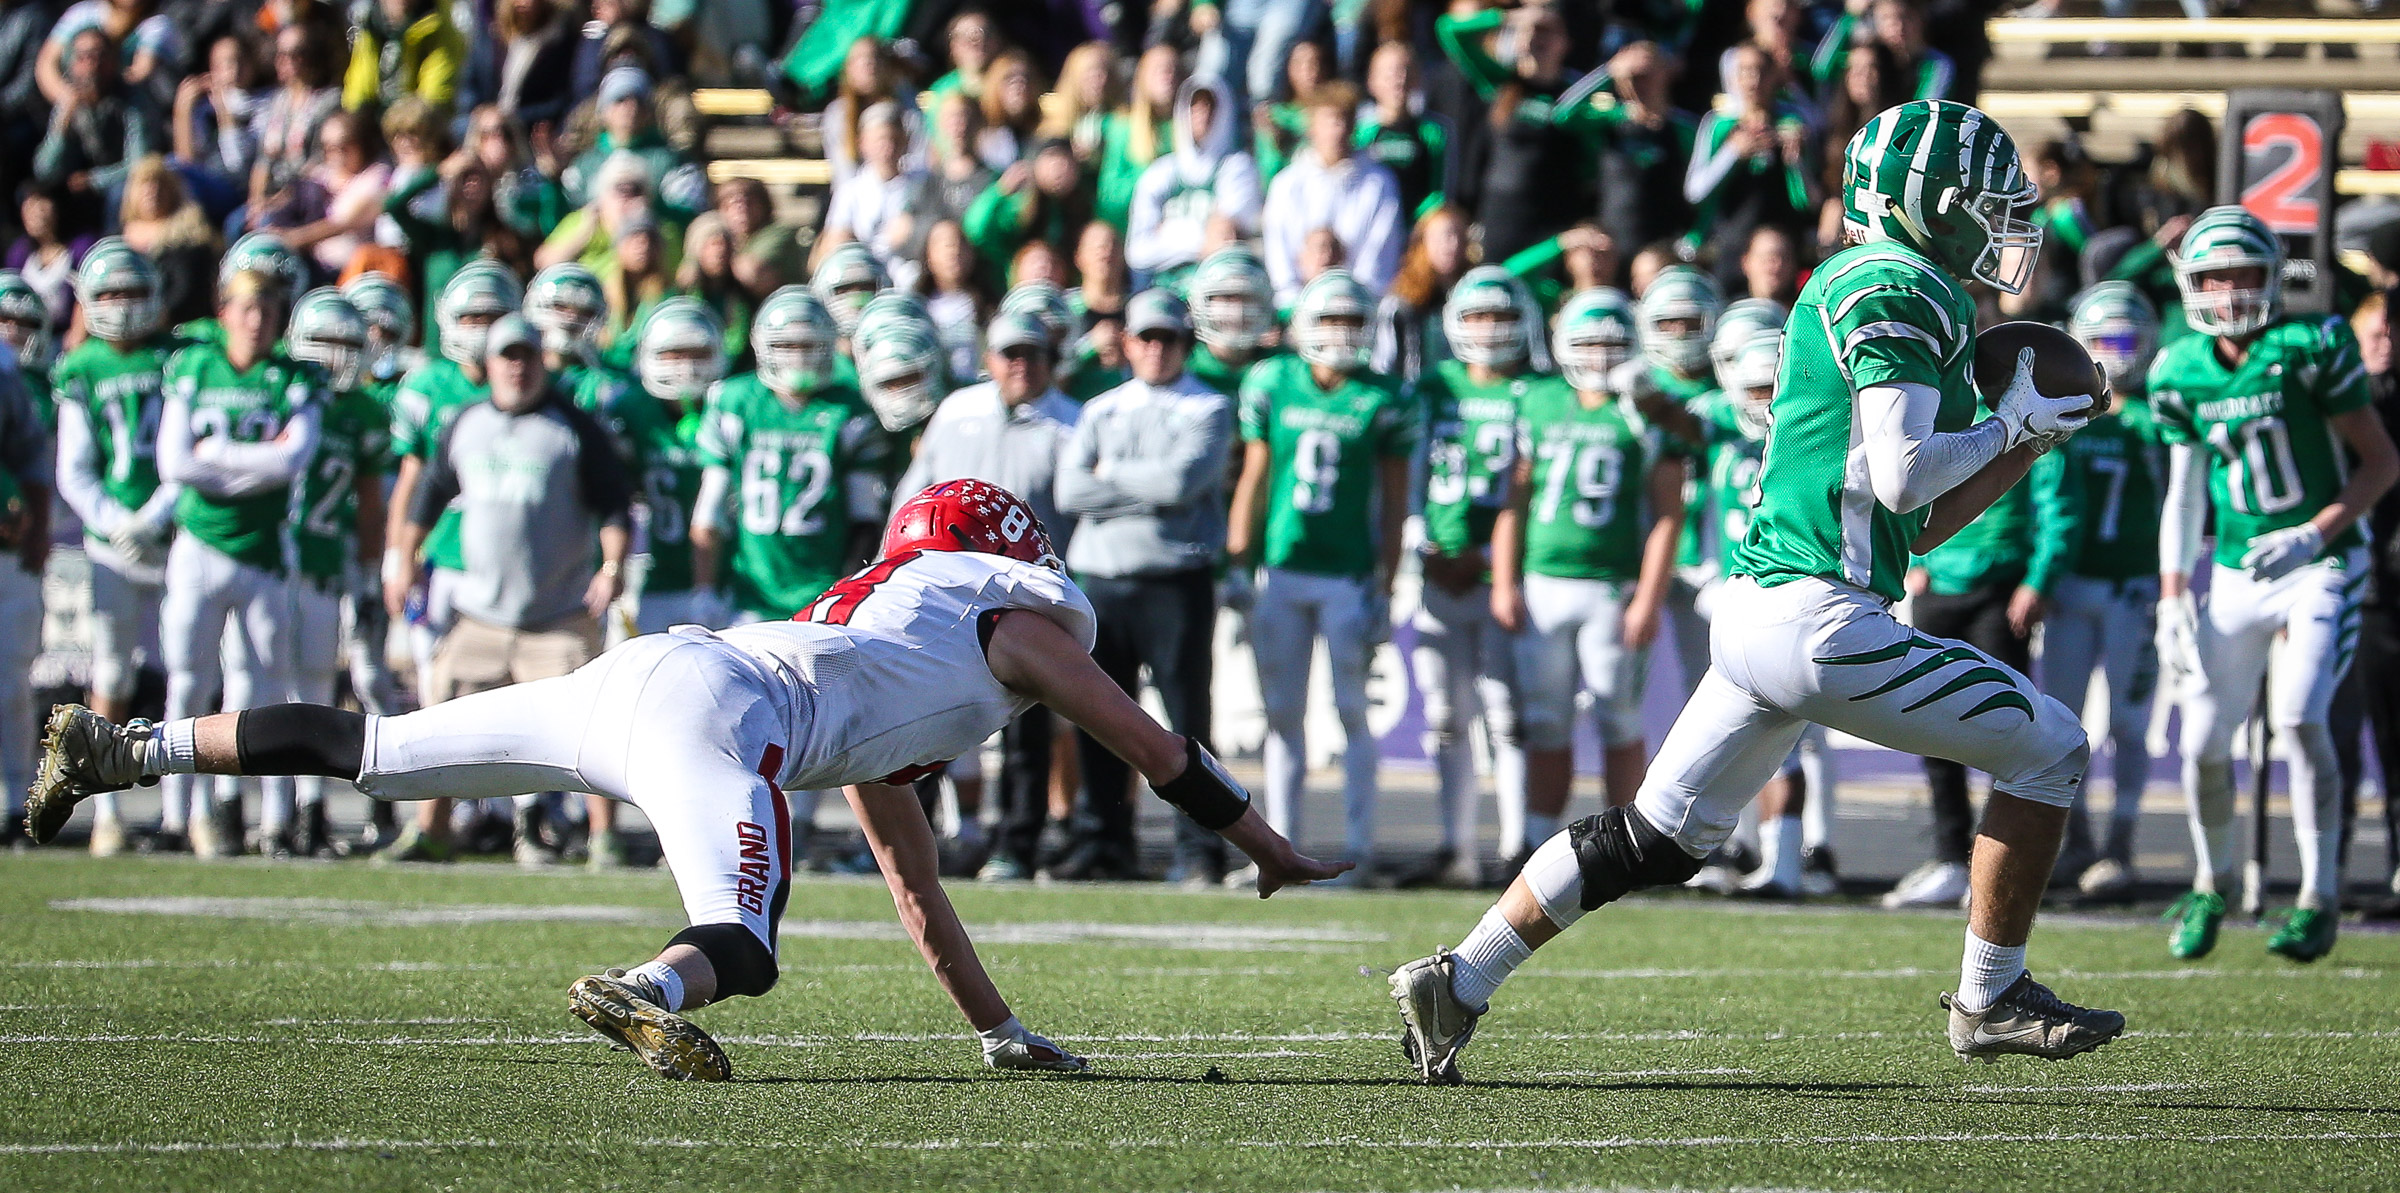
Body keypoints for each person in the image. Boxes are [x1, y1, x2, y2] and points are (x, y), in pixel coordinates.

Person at [29, 479, 1350, 1078]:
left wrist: (999, 1032)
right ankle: (650, 987)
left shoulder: (887, 648)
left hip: (653, 670)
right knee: (745, 943)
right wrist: (1268, 846)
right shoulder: (1010, 623)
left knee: (375, 753)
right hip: (723, 713)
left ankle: (128, 747)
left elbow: (917, 891)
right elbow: (1155, 747)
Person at [1390, 100, 2123, 1083]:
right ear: (1925, 204)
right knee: (2054, 747)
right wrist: (2002, 429)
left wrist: (2021, 441)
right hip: (1820, 621)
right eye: (1982, 205)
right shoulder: (1901, 281)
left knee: (1655, 835)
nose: (2000, 227)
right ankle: (1990, 994)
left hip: (1764, 611)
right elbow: (1909, 475)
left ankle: (1460, 975)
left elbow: (1907, 521)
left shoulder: (1880, 283)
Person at [2151, 206, 2400, 963]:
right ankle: (2211, 880)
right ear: (2192, 283)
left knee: (2298, 717)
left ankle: (2320, 894)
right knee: (2199, 742)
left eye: (2245, 273)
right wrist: (2170, 594)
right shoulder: (2178, 367)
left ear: (2273, 278)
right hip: (2234, 568)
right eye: (2215, 274)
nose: (2229, 290)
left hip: (2321, 561)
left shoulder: (2312, 344)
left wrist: (2313, 533)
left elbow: (2381, 462)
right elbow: (2185, 493)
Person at [1228, 269, 1414, 884]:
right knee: (1282, 715)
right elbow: (1255, 479)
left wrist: (1387, 582)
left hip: (1347, 577)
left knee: (1351, 712)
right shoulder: (1272, 380)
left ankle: (1358, 848)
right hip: (1281, 572)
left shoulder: (1383, 397)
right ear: (1305, 325)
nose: (1342, 333)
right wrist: (1236, 559)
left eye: (1353, 321)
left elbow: (1393, 501)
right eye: (1330, 319)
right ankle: (1278, 847)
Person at [1053, 289, 1233, 885]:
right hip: (1101, 579)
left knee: (1186, 722)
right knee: (1098, 717)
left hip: (1174, 577)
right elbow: (1069, 491)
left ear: (1186, 344)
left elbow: (1180, 483)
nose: (1157, 350)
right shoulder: (1101, 408)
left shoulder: (1207, 406)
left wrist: (1110, 477)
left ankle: (1199, 847)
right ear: (1127, 343)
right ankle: (1103, 840)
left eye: (1169, 339)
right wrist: (1137, 486)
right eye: (1146, 338)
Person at [1493, 284, 1686, 831]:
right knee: (1545, 720)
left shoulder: (1645, 410)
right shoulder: (1537, 398)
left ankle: (1626, 843)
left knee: (1618, 719)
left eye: (1612, 344)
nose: (1600, 356)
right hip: (1542, 583)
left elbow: (1669, 512)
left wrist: (1648, 597)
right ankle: (1533, 839)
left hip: (1610, 586)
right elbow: (1516, 500)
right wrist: (1504, 580)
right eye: (1588, 343)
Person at [900, 311, 1081, 881]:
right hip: (946, 593)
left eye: (1031, 353)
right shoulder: (957, 412)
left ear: (1051, 359)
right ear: (989, 360)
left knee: (1026, 727)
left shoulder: (1071, 424)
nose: (1020, 364)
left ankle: (1017, 843)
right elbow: (914, 495)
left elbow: (1078, 515)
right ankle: (912, 840)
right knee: (924, 719)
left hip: (1027, 596)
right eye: (1009, 353)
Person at [157, 266, 327, 856]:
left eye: (268, 311)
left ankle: (272, 821)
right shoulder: (193, 365)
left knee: (265, 689)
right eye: (247, 309)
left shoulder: (293, 375)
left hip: (263, 551)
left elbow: (293, 460)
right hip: (199, 545)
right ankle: (178, 819)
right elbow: (175, 463)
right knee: (187, 684)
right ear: (224, 311)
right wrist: (257, 462)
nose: (257, 321)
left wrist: (222, 456)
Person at [380, 261, 520, 861]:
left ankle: (507, 819)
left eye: (491, 316)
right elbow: (412, 481)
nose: (481, 328)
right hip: (446, 560)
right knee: (440, 694)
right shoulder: (429, 387)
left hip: (514, 565)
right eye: (469, 316)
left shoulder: (522, 379)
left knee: (514, 697)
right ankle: (433, 820)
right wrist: (398, 554)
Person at [2031, 283, 2167, 899]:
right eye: (2101, 341)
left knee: (2130, 724)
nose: (2112, 354)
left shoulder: (2156, 416)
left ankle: (2121, 843)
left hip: (2132, 589)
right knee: (2061, 722)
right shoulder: (2066, 416)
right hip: (2070, 588)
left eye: (2123, 342)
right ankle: (2075, 840)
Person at [1407, 266, 1537, 886]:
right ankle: (1454, 846)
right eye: (1476, 316)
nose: (1488, 330)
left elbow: (1533, 493)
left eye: (1501, 317)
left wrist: (1492, 560)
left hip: (1500, 572)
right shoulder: (1433, 387)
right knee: (1445, 716)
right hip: (1438, 563)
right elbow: (1405, 471)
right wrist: (1418, 541)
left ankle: (1516, 846)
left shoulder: (1534, 392)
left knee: (1507, 712)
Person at [52, 240, 181, 855]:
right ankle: (107, 814)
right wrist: (116, 520)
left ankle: (185, 810)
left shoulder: (179, 358)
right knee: (110, 671)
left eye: (133, 292)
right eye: (108, 294)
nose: (123, 306)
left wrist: (156, 515)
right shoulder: (80, 368)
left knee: (187, 674)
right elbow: (74, 469)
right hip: (110, 544)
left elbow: (188, 454)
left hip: (177, 536)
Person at [692, 285, 885, 625]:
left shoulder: (849, 410)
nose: (798, 355)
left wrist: (848, 587)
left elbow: (864, 517)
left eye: (808, 345)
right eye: (787, 345)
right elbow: (710, 510)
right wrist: (704, 588)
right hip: (751, 592)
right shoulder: (735, 401)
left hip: (823, 590)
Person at [280, 287, 389, 857]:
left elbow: (371, 508)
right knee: (257, 685)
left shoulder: (364, 412)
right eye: (322, 342)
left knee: (317, 691)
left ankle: (311, 812)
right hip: (265, 559)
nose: (334, 356)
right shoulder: (277, 390)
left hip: (323, 564)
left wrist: (369, 579)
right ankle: (224, 814)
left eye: (347, 343)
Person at [1259, 82, 1402, 303]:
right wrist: (1294, 304)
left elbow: (1380, 254)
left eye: (1344, 120)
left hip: (1358, 306)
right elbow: (1279, 253)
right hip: (1299, 307)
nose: (1337, 130)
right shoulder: (1286, 184)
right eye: (1329, 121)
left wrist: (1354, 301)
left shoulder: (1379, 182)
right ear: (1312, 127)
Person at [1125, 76, 1260, 293]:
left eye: (1210, 105)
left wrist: (1168, 231)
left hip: (1219, 289)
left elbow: (1225, 244)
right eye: (1194, 106)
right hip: (1161, 286)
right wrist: (1201, 236)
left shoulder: (1239, 168)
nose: (1202, 114)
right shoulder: (1160, 172)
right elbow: (1138, 253)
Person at [0, 318, 51, 845]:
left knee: (10, 683)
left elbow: (31, 456)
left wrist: (37, 527)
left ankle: (17, 804)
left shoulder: (4, 374)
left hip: (3, 547)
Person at [1356, 41, 1448, 224]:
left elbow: (1439, 190)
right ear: (1372, 81)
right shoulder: (1360, 134)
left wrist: (1418, 223)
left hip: (1417, 232)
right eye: (1389, 74)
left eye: (1405, 71)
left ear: (1417, 79)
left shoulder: (1433, 132)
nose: (1399, 80)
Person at [342, 0, 467, 117]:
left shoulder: (440, 23)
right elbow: (358, 88)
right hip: (374, 117)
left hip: (416, 122)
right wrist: (355, 118)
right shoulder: (368, 22)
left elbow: (434, 98)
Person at [1185, 245, 1277, 398]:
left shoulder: (1281, 369)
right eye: (1226, 297)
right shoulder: (1181, 363)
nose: (1237, 311)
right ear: (1201, 302)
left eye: (1247, 298)